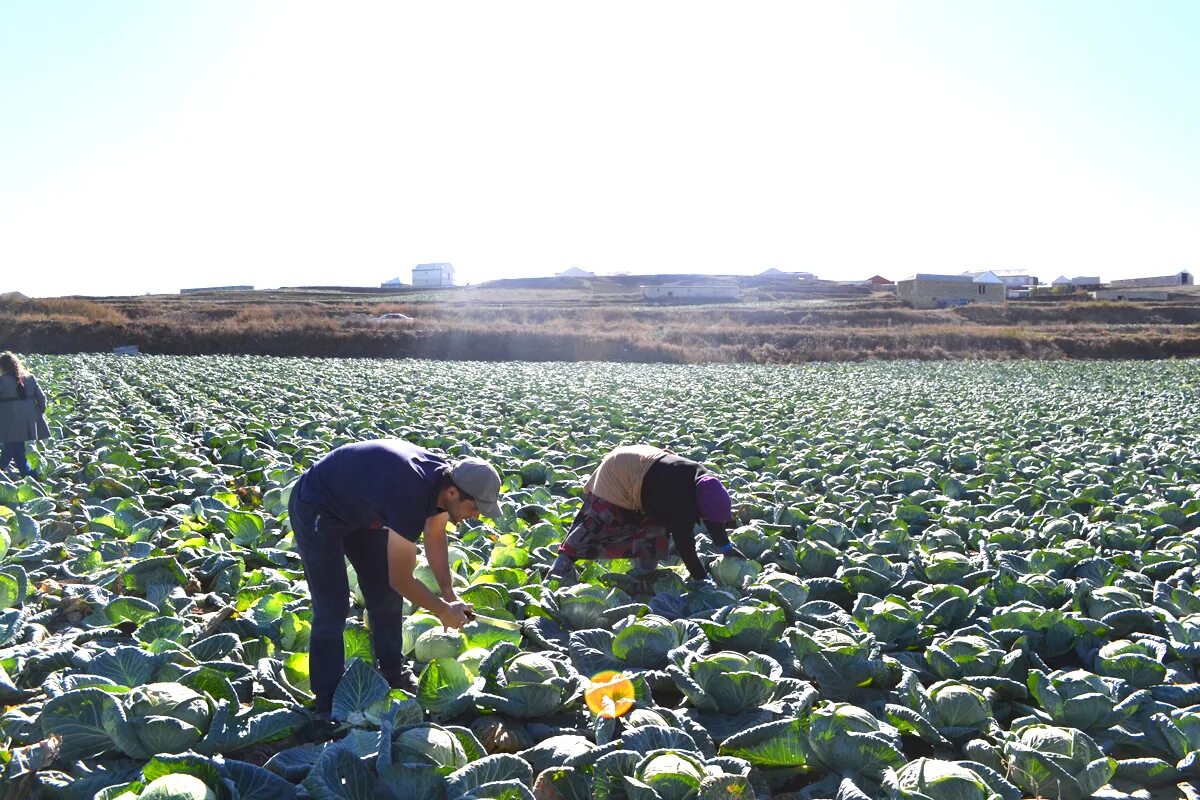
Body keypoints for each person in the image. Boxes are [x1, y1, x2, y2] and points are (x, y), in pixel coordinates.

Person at [288, 439, 502, 717]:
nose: (475, 517)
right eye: (475, 509)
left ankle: (392, 671)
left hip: (362, 509)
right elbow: (400, 578)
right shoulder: (410, 495)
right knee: (334, 605)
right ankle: (326, 701)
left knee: (385, 595)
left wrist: (449, 595)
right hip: (318, 506)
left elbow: (435, 535)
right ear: (453, 493)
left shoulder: (442, 487)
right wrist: (440, 611)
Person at [549, 444, 746, 583]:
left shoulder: (705, 483)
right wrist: (703, 579)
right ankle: (560, 567)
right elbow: (685, 543)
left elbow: (712, 516)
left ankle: (644, 574)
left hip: (644, 464)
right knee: (597, 522)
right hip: (620, 471)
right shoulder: (680, 498)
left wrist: (725, 548)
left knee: (656, 527)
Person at [0, 352, 49, 478]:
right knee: (17, 446)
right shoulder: (30, 378)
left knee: (11, 445)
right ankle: (27, 473)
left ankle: (5, 467)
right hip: (28, 420)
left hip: (7, 420)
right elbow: (42, 399)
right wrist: (38, 413)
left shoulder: (1, 381)